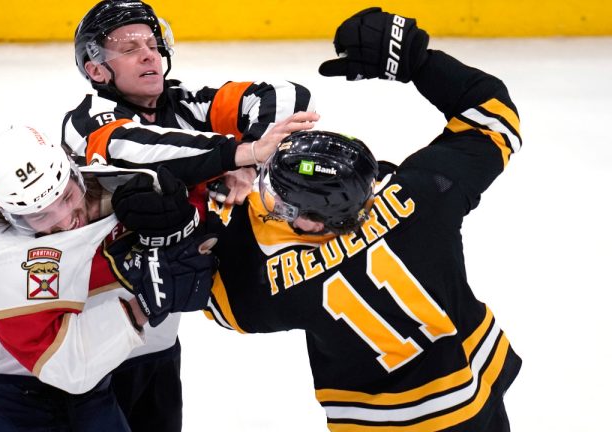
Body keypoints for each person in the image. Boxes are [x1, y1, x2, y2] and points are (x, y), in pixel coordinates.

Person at [111, 7, 523, 431]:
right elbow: (494, 119)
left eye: (279, 196)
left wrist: (187, 216)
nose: (263, 195)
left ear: (309, 222)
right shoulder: (424, 194)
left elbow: (211, 297)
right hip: (480, 394)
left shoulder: (274, 284)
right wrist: (420, 63)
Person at [62, 1, 318, 430]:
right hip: (92, 339)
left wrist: (248, 165)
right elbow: (134, 148)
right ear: (97, 70)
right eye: (129, 47)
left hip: (161, 335)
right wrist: (240, 151)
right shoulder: (86, 121)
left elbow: (286, 95)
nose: (149, 54)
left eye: (152, 43)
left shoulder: (185, 105)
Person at [0, 125, 215, 431]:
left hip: (93, 396)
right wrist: (145, 304)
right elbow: (68, 366)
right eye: (41, 216)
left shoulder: (117, 185)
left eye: (67, 197)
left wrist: (225, 179)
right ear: (10, 216)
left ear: (74, 172)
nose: (67, 221)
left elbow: (196, 179)